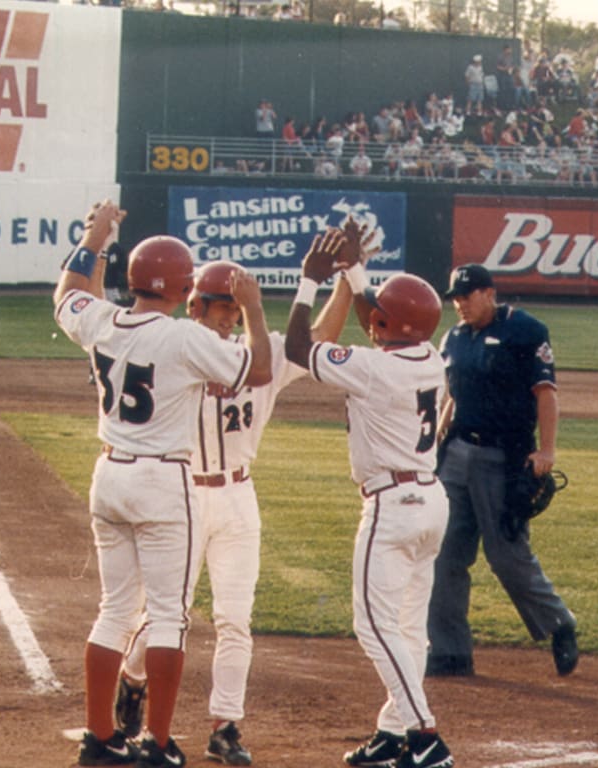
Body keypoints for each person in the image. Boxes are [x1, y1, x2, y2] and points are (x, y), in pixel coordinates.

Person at [54, 199, 274, 768]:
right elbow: (260, 370)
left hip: (109, 472)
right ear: (183, 290)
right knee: (170, 615)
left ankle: (100, 737)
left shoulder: (101, 319)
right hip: (162, 481)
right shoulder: (184, 339)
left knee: (114, 610)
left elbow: (67, 293)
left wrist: (96, 237)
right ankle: (157, 742)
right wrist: (251, 307)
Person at [114, 255, 355, 766]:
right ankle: (133, 676)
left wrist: (345, 282)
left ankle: (225, 725)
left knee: (234, 618)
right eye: (220, 306)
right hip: (181, 495)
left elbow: (317, 336)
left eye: (234, 306)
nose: (227, 316)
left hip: (238, 497)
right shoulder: (177, 350)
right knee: (168, 612)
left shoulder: (257, 355)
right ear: (196, 304)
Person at [283, 232, 454, 768]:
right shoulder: (428, 354)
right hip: (430, 499)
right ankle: (393, 730)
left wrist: (311, 279)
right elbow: (379, 323)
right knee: (407, 628)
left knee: (375, 626)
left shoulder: (375, 366)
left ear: (389, 325)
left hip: (391, 506)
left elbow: (295, 348)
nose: (371, 317)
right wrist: (355, 273)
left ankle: (425, 736)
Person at [426, 263, 578, 679]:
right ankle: (449, 651)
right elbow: (451, 397)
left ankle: (560, 623)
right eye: (455, 296)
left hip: (503, 457)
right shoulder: (453, 337)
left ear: (489, 293)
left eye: (467, 295)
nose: (459, 303)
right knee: (445, 554)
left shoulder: (525, 331)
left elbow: (545, 394)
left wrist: (546, 450)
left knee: (506, 556)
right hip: (456, 453)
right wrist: (437, 444)